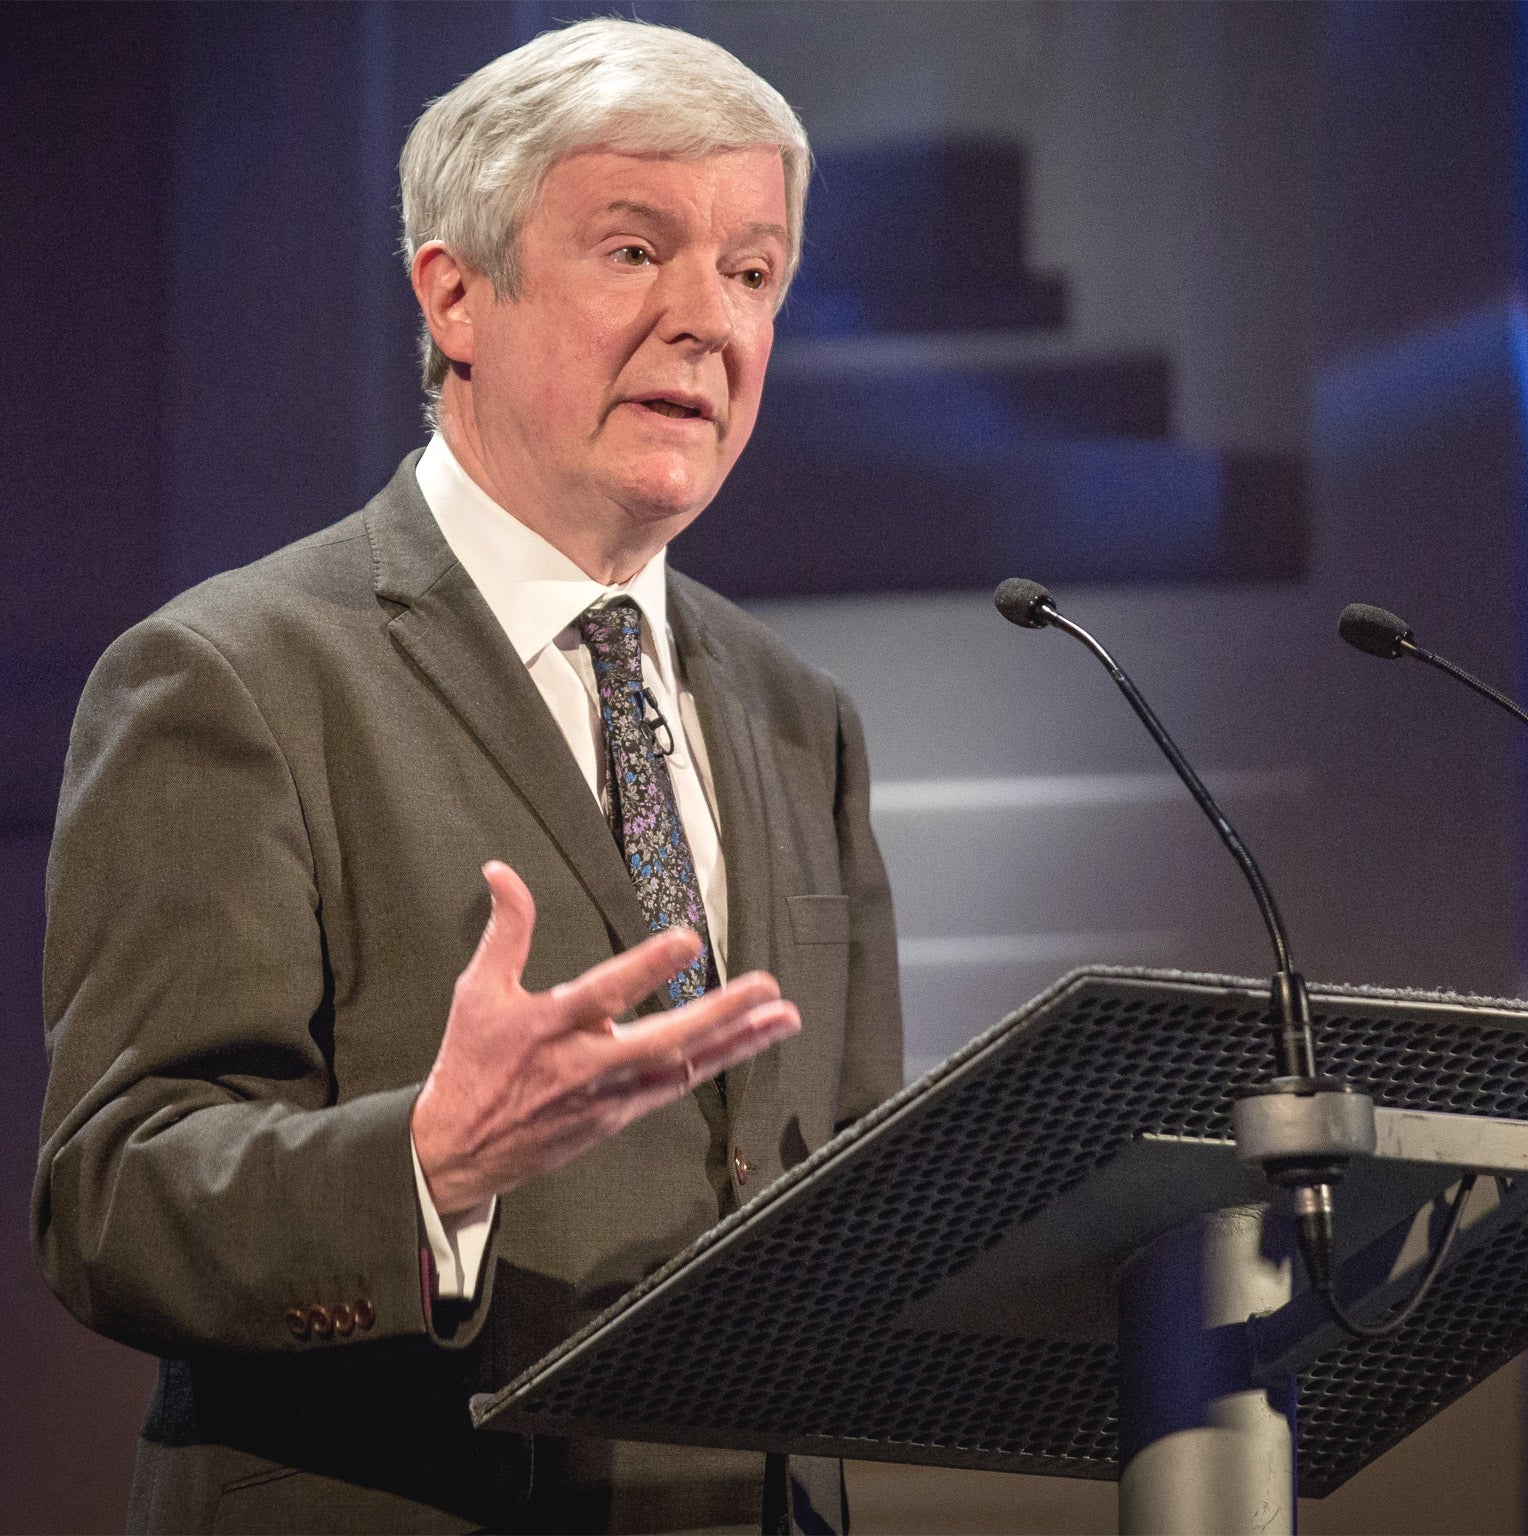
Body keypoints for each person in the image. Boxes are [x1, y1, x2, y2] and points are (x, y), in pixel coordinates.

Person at [34, 18, 901, 1533]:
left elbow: (862, 1181)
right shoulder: (232, 677)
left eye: (754, 271)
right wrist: (428, 1169)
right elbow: (114, 1201)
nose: (709, 320)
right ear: (456, 295)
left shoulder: (795, 716)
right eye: (636, 251)